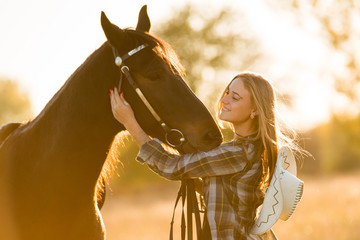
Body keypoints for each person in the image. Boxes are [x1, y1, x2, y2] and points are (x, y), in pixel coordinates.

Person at [109, 71, 302, 239]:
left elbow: (171, 167)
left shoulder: (236, 153)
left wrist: (130, 123)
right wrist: (198, 182)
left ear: (255, 110)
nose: (225, 100)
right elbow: (230, 198)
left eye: (235, 97)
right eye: (227, 92)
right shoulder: (248, 150)